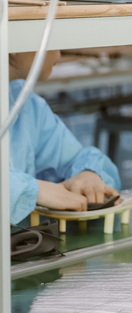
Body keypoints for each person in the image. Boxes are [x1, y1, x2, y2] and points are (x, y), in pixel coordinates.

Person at [7, 51, 120, 224]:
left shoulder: (25, 103)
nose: (59, 55)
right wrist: (30, 190)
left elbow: (74, 157)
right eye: (50, 43)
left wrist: (87, 174)